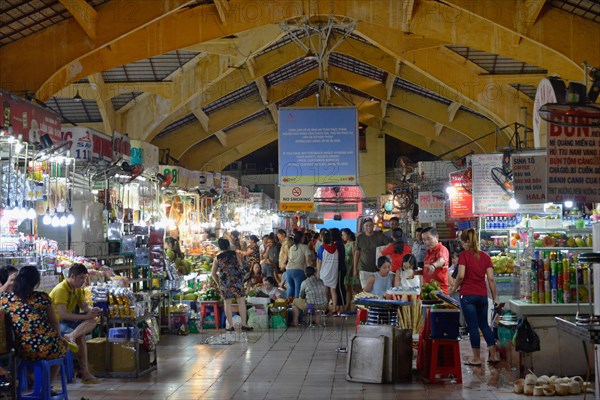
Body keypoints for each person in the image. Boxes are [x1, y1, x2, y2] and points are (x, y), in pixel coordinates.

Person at [0, 266, 73, 385]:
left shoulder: (7, 299)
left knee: (30, 358)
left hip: (21, 348)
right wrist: (58, 338)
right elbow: (54, 322)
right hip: (46, 346)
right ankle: (46, 386)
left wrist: (7, 283)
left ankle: (35, 381)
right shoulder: (42, 297)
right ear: (36, 282)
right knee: (63, 347)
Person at [450, 228, 499, 366]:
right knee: (484, 325)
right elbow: (490, 279)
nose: (462, 245)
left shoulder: (464, 256)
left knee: (473, 326)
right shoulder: (486, 257)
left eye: (462, 243)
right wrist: (495, 298)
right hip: (482, 296)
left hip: (468, 296)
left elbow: (460, 276)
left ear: (466, 242)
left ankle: (477, 358)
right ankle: (493, 355)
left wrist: (453, 289)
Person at [49, 263, 100, 384]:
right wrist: (85, 316)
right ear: (72, 276)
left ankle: (71, 336)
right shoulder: (61, 290)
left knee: (93, 320)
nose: (83, 281)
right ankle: (85, 372)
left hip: (67, 322)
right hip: (55, 323)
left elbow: (83, 305)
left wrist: (92, 310)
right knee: (81, 338)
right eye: (81, 278)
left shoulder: (77, 289)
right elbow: (63, 315)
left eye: (84, 278)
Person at [211, 238, 253, 331]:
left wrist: (218, 283)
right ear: (228, 245)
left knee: (227, 303)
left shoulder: (217, 258)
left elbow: (213, 274)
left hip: (225, 282)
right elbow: (241, 267)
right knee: (241, 301)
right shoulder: (235, 254)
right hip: (237, 280)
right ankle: (244, 324)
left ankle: (230, 325)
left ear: (219, 247)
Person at [354, 217, 389, 289]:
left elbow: (389, 246)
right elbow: (357, 253)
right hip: (363, 268)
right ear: (363, 227)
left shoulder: (380, 236)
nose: (368, 227)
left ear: (373, 226)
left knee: (376, 289)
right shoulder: (360, 237)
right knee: (366, 290)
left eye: (370, 225)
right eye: (366, 225)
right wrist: (355, 268)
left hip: (377, 269)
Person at [415, 227, 450, 295]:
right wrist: (415, 273)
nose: (426, 242)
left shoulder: (442, 249)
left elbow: (442, 260)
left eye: (429, 239)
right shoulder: (428, 252)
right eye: (424, 240)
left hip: (440, 293)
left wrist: (433, 265)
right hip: (428, 292)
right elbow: (427, 270)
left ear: (436, 237)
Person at [316, 230, 339, 315]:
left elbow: (319, 261)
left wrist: (318, 272)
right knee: (333, 290)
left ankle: (325, 309)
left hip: (324, 271)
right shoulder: (335, 248)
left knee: (325, 290)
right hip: (334, 271)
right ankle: (334, 309)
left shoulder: (321, 248)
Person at [284, 231, 312, 298]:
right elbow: (308, 261)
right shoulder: (305, 247)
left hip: (288, 270)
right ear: (302, 238)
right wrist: (310, 271)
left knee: (291, 288)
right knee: (298, 290)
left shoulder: (292, 247)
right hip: (298, 270)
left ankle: (289, 306)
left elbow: (289, 258)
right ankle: (297, 307)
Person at [341, 228, 360, 310]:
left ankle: (358, 305)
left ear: (349, 235)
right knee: (347, 288)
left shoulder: (353, 244)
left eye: (344, 234)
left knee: (355, 288)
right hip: (346, 267)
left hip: (351, 267)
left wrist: (353, 268)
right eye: (342, 235)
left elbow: (354, 257)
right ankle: (348, 305)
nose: (343, 236)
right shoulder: (345, 244)